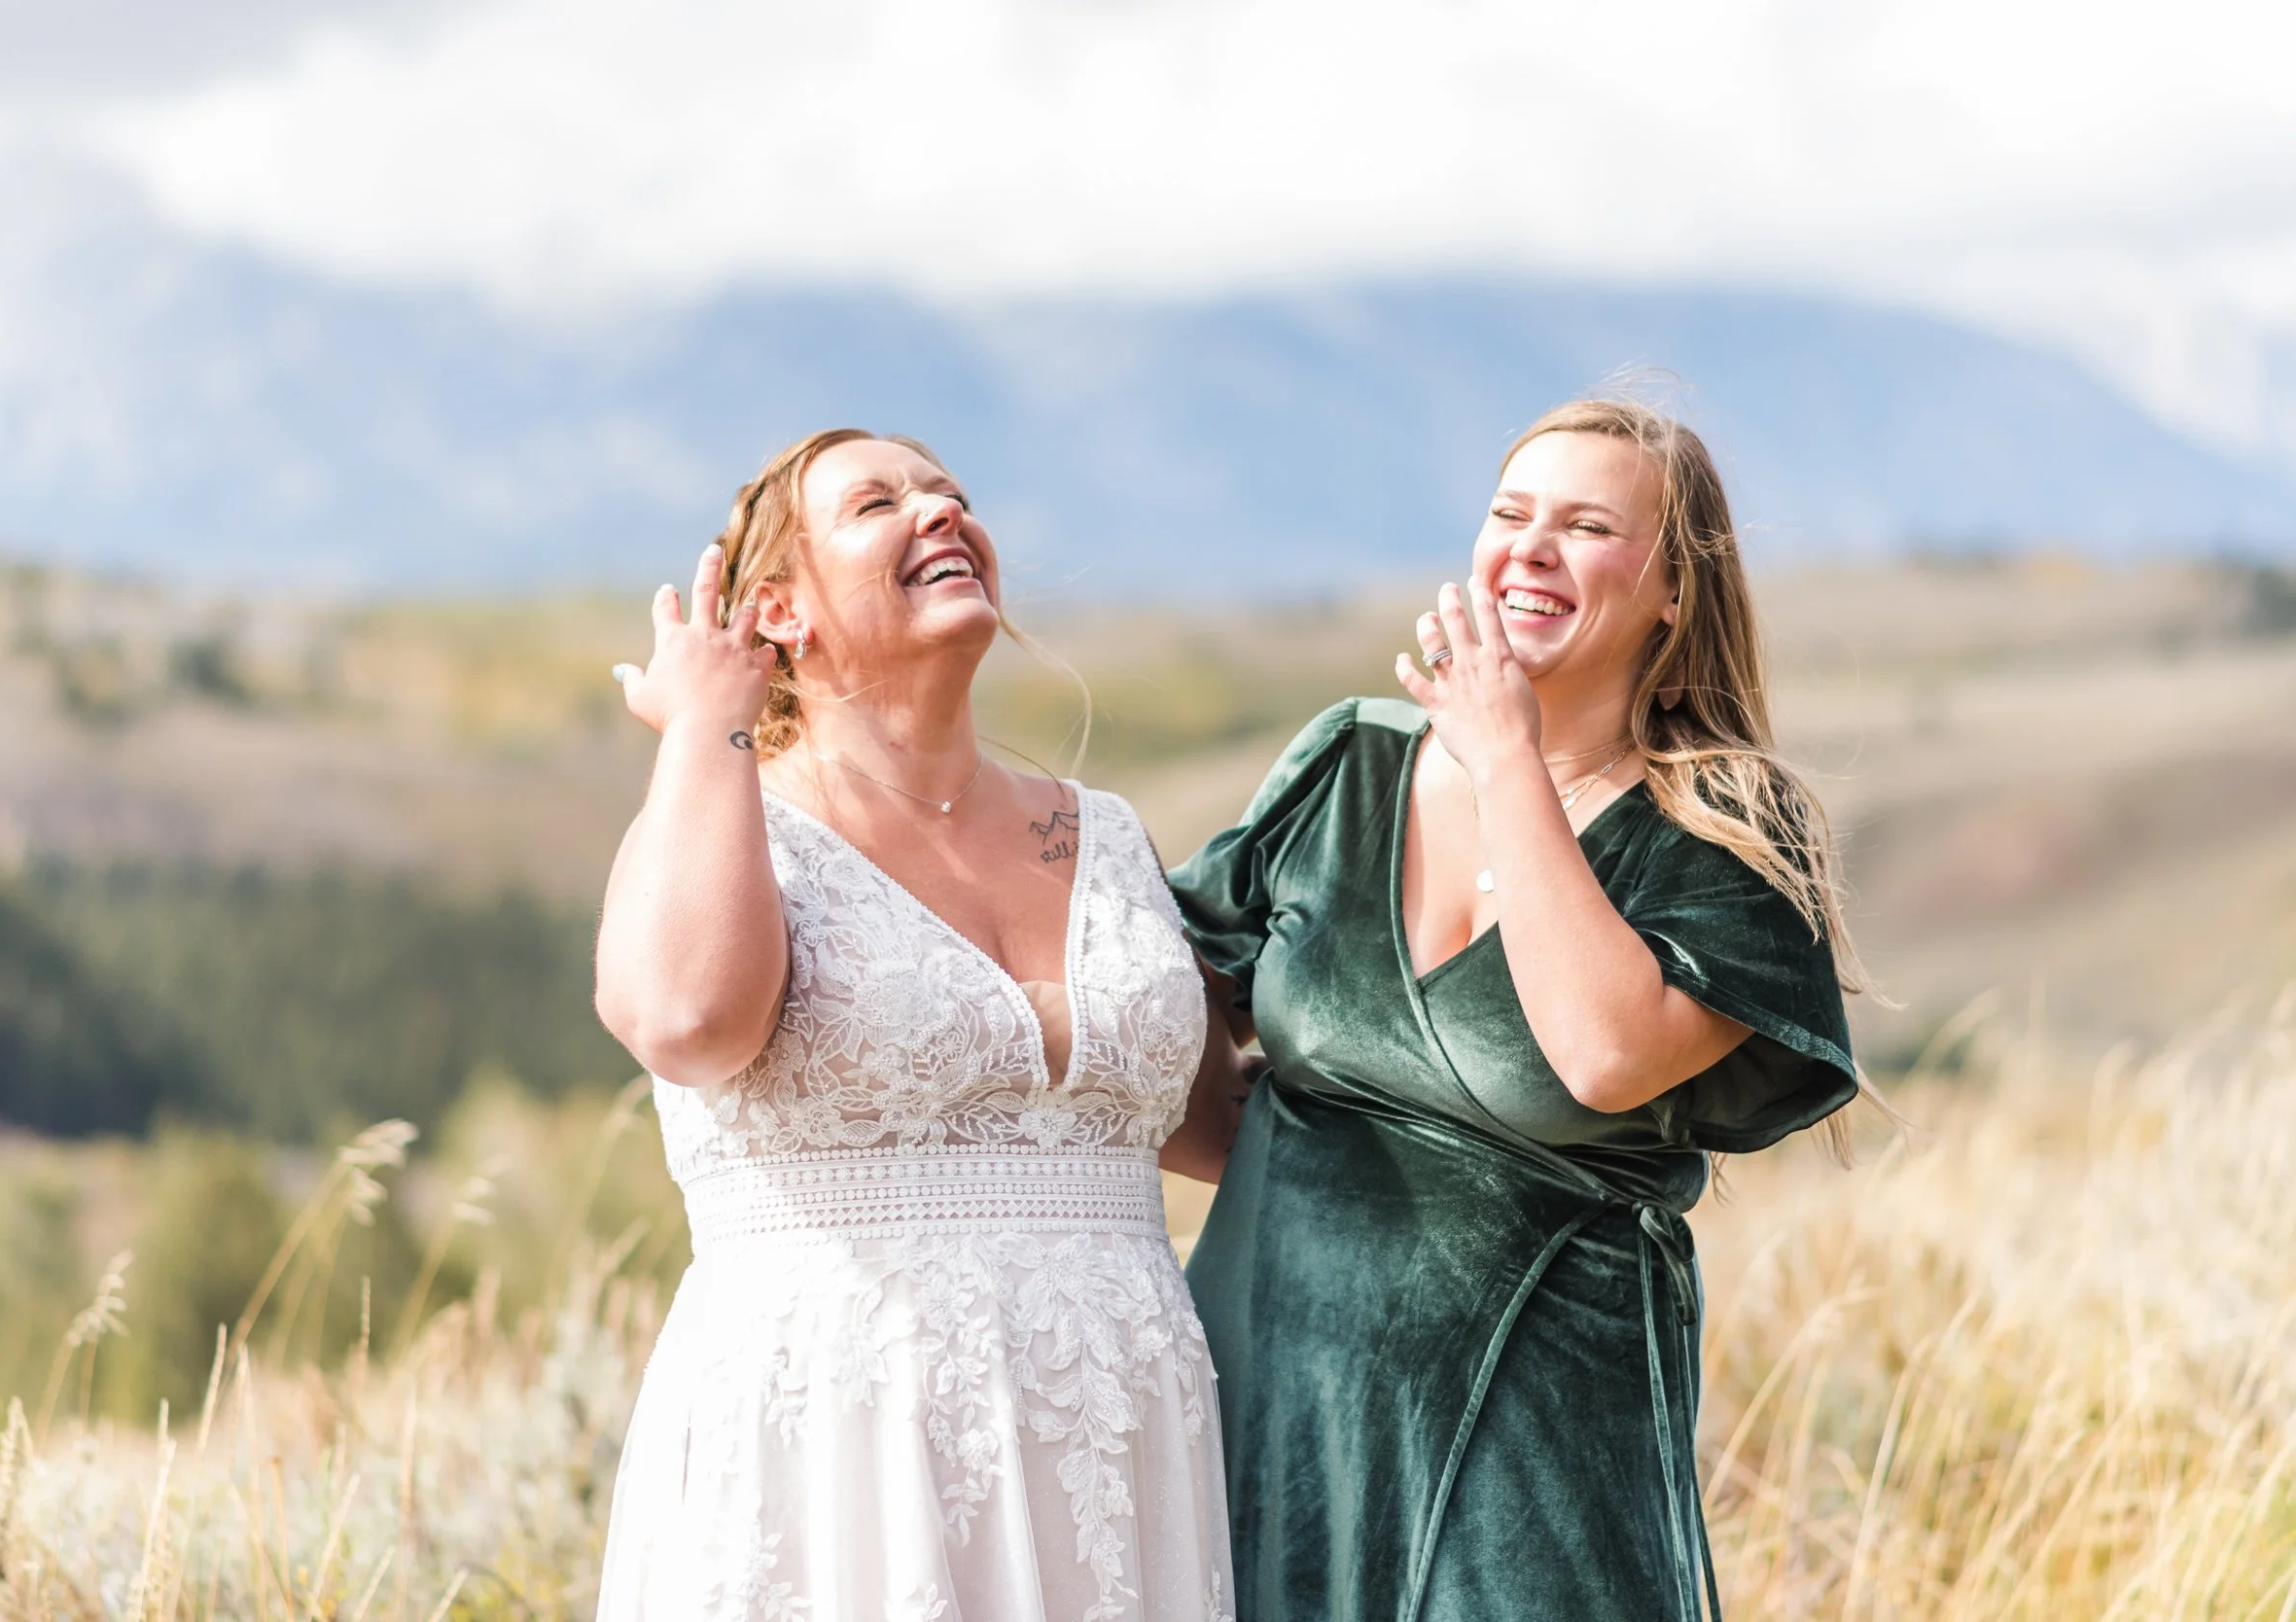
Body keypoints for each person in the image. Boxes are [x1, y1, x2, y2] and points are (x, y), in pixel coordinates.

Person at [1169, 398, 1870, 1620]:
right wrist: (1299, 1170)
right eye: (1510, 514)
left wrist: (1506, 759)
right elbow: (1149, 1028)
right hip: (1272, 1401)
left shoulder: (1726, 827)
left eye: (1587, 526)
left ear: (1673, 593)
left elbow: (1603, 1056)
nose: (1531, 548)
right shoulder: (1347, 763)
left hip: (1533, 1444)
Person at [591, 429, 1243, 1622]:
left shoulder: (1102, 836)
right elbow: (687, 1023)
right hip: (842, 1447)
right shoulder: (732, 819)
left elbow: (1222, 1129)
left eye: (950, 494)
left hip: (1115, 1446)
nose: (940, 512)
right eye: (877, 504)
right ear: (777, 609)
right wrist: (705, 724)